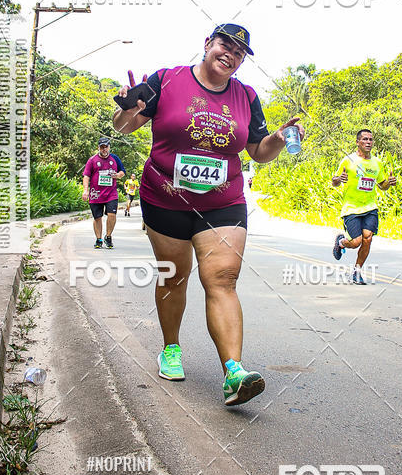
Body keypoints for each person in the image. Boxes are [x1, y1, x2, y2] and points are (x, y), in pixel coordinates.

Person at [113, 23, 304, 406]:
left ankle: (234, 372)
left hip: (223, 201)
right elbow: (123, 128)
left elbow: (257, 152)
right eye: (225, 45)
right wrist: (128, 111)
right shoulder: (167, 80)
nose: (230, 54)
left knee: (223, 279)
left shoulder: (246, 96)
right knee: (175, 276)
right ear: (207, 44)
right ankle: (170, 348)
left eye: (239, 52)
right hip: (165, 197)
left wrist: (278, 141)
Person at [331, 129, 397, 283]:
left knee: (367, 239)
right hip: (351, 207)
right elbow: (334, 181)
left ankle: (356, 271)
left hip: (370, 207)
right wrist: (339, 178)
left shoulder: (377, 163)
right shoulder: (348, 160)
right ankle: (341, 242)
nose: (368, 142)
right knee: (356, 242)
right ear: (357, 142)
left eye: (371, 140)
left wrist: (389, 183)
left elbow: (382, 185)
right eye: (365, 139)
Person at [82, 136, 126, 249]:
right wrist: (85, 190)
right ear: (98, 148)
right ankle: (99, 239)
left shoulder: (115, 159)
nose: (104, 150)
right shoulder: (92, 160)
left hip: (111, 193)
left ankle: (108, 236)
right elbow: (86, 176)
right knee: (97, 217)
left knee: (112, 215)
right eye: (102, 147)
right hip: (95, 194)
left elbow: (122, 172)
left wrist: (117, 175)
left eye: (106, 147)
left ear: (109, 147)